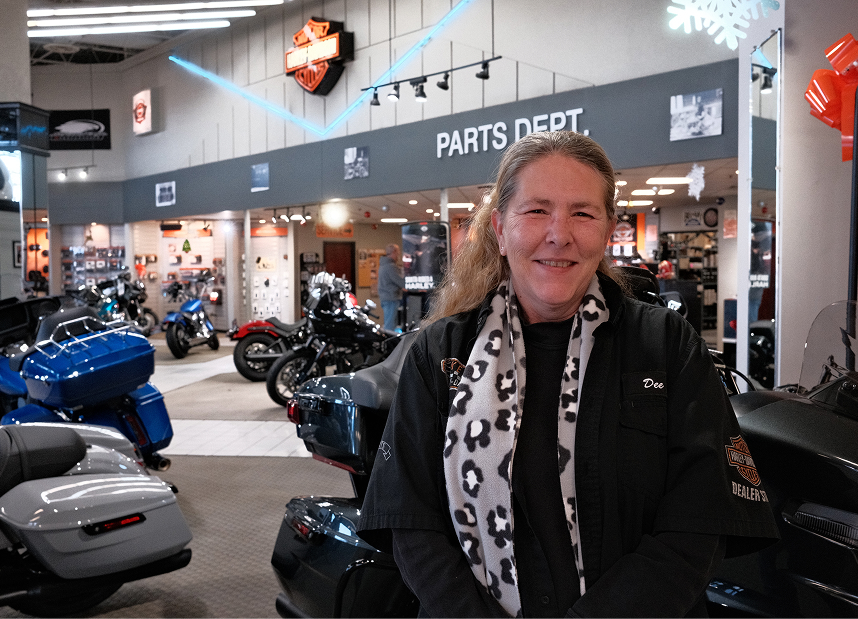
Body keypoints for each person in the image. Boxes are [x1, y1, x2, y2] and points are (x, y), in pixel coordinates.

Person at [357, 131, 779, 617]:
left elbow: (698, 522)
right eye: (536, 211)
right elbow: (412, 524)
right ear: (500, 227)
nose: (559, 234)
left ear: (606, 230)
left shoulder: (666, 346)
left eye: (582, 212)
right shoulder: (438, 353)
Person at [378, 243, 405, 331]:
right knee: (390, 326)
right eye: (398, 253)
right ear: (394, 252)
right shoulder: (391, 267)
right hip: (391, 298)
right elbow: (400, 282)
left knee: (389, 323)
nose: (398, 256)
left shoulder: (383, 265)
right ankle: (390, 344)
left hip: (386, 298)